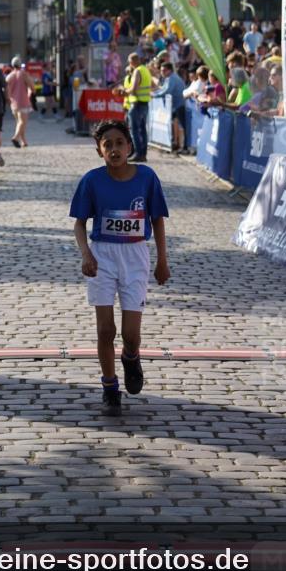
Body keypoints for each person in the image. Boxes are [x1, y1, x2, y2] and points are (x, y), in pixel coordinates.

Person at [70, 120, 170, 417]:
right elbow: (79, 223)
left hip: (136, 255)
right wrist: (86, 254)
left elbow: (158, 221)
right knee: (105, 329)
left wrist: (162, 260)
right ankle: (110, 388)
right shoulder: (92, 180)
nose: (114, 149)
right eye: (107, 145)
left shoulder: (147, 178)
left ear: (130, 146)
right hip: (103, 256)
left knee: (130, 334)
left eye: (119, 143)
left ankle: (131, 357)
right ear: (100, 151)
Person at [119, 52, 152, 162]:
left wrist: (124, 92)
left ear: (133, 61)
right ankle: (143, 154)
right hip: (145, 103)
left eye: (129, 62)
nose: (129, 64)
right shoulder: (145, 70)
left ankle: (138, 154)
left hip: (136, 103)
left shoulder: (137, 71)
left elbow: (134, 89)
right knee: (143, 130)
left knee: (135, 131)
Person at [153, 61, 187, 153]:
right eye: (161, 70)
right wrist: (154, 93)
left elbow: (167, 91)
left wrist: (153, 95)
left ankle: (184, 147)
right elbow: (163, 89)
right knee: (174, 125)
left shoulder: (172, 78)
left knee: (182, 127)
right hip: (176, 106)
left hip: (180, 105)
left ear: (169, 70)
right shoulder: (169, 78)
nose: (161, 73)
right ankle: (176, 144)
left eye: (163, 70)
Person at [5, 56, 35, 148]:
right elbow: (31, 85)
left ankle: (24, 141)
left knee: (19, 122)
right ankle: (15, 137)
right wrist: (32, 91)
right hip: (23, 101)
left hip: (13, 102)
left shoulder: (9, 76)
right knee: (22, 122)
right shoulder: (23, 74)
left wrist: (8, 100)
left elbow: (6, 90)